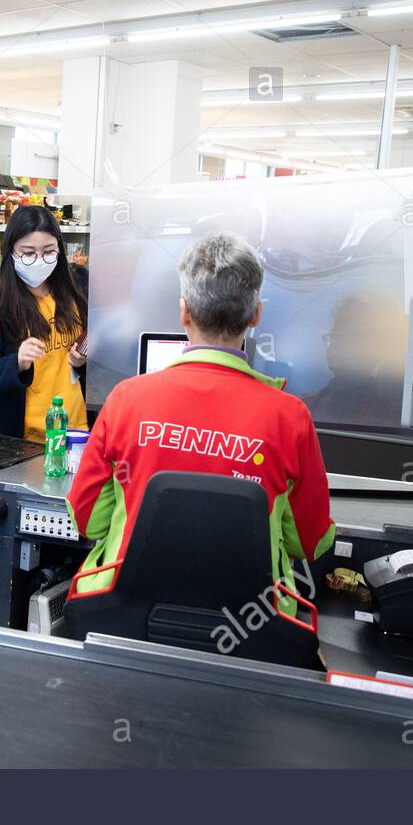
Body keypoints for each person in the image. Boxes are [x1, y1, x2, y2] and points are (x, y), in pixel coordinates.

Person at [65, 232, 334, 610]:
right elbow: (309, 542)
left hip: (127, 614)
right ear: (256, 315)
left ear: (184, 311)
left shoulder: (127, 399)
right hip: (250, 624)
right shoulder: (289, 417)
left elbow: (87, 519)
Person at [0, 205, 88, 442]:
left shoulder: (78, 287)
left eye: (49, 252)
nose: (40, 260)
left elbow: (104, 338)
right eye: (28, 253)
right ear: (11, 251)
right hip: (20, 438)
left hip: (77, 430)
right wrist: (17, 363)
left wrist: (84, 359)